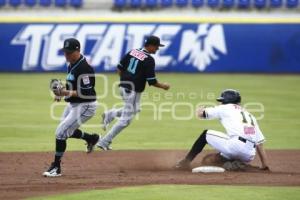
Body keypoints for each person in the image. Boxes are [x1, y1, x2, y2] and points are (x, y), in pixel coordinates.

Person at [96, 35, 170, 151]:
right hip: (133, 91)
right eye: (156, 46)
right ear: (150, 45)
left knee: (135, 109)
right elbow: (152, 81)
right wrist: (164, 86)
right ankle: (104, 142)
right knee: (126, 120)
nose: (157, 49)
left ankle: (110, 114)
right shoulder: (149, 60)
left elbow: (119, 68)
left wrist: (125, 80)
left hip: (123, 87)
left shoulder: (133, 51)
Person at [43, 38, 99, 177]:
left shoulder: (84, 68)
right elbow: (71, 84)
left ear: (77, 50)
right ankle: (91, 138)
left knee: (61, 132)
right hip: (74, 103)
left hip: (86, 105)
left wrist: (64, 92)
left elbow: (85, 92)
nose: (66, 55)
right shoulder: (72, 64)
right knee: (65, 130)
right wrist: (61, 93)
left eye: (69, 52)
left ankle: (56, 167)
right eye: (65, 52)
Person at [176, 89, 270, 171]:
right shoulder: (250, 116)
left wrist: (200, 109)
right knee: (210, 160)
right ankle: (234, 164)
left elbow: (201, 114)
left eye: (221, 100)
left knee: (206, 134)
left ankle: (185, 162)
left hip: (235, 146)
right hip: (249, 154)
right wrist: (265, 165)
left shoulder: (225, 108)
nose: (220, 102)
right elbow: (259, 143)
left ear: (227, 101)